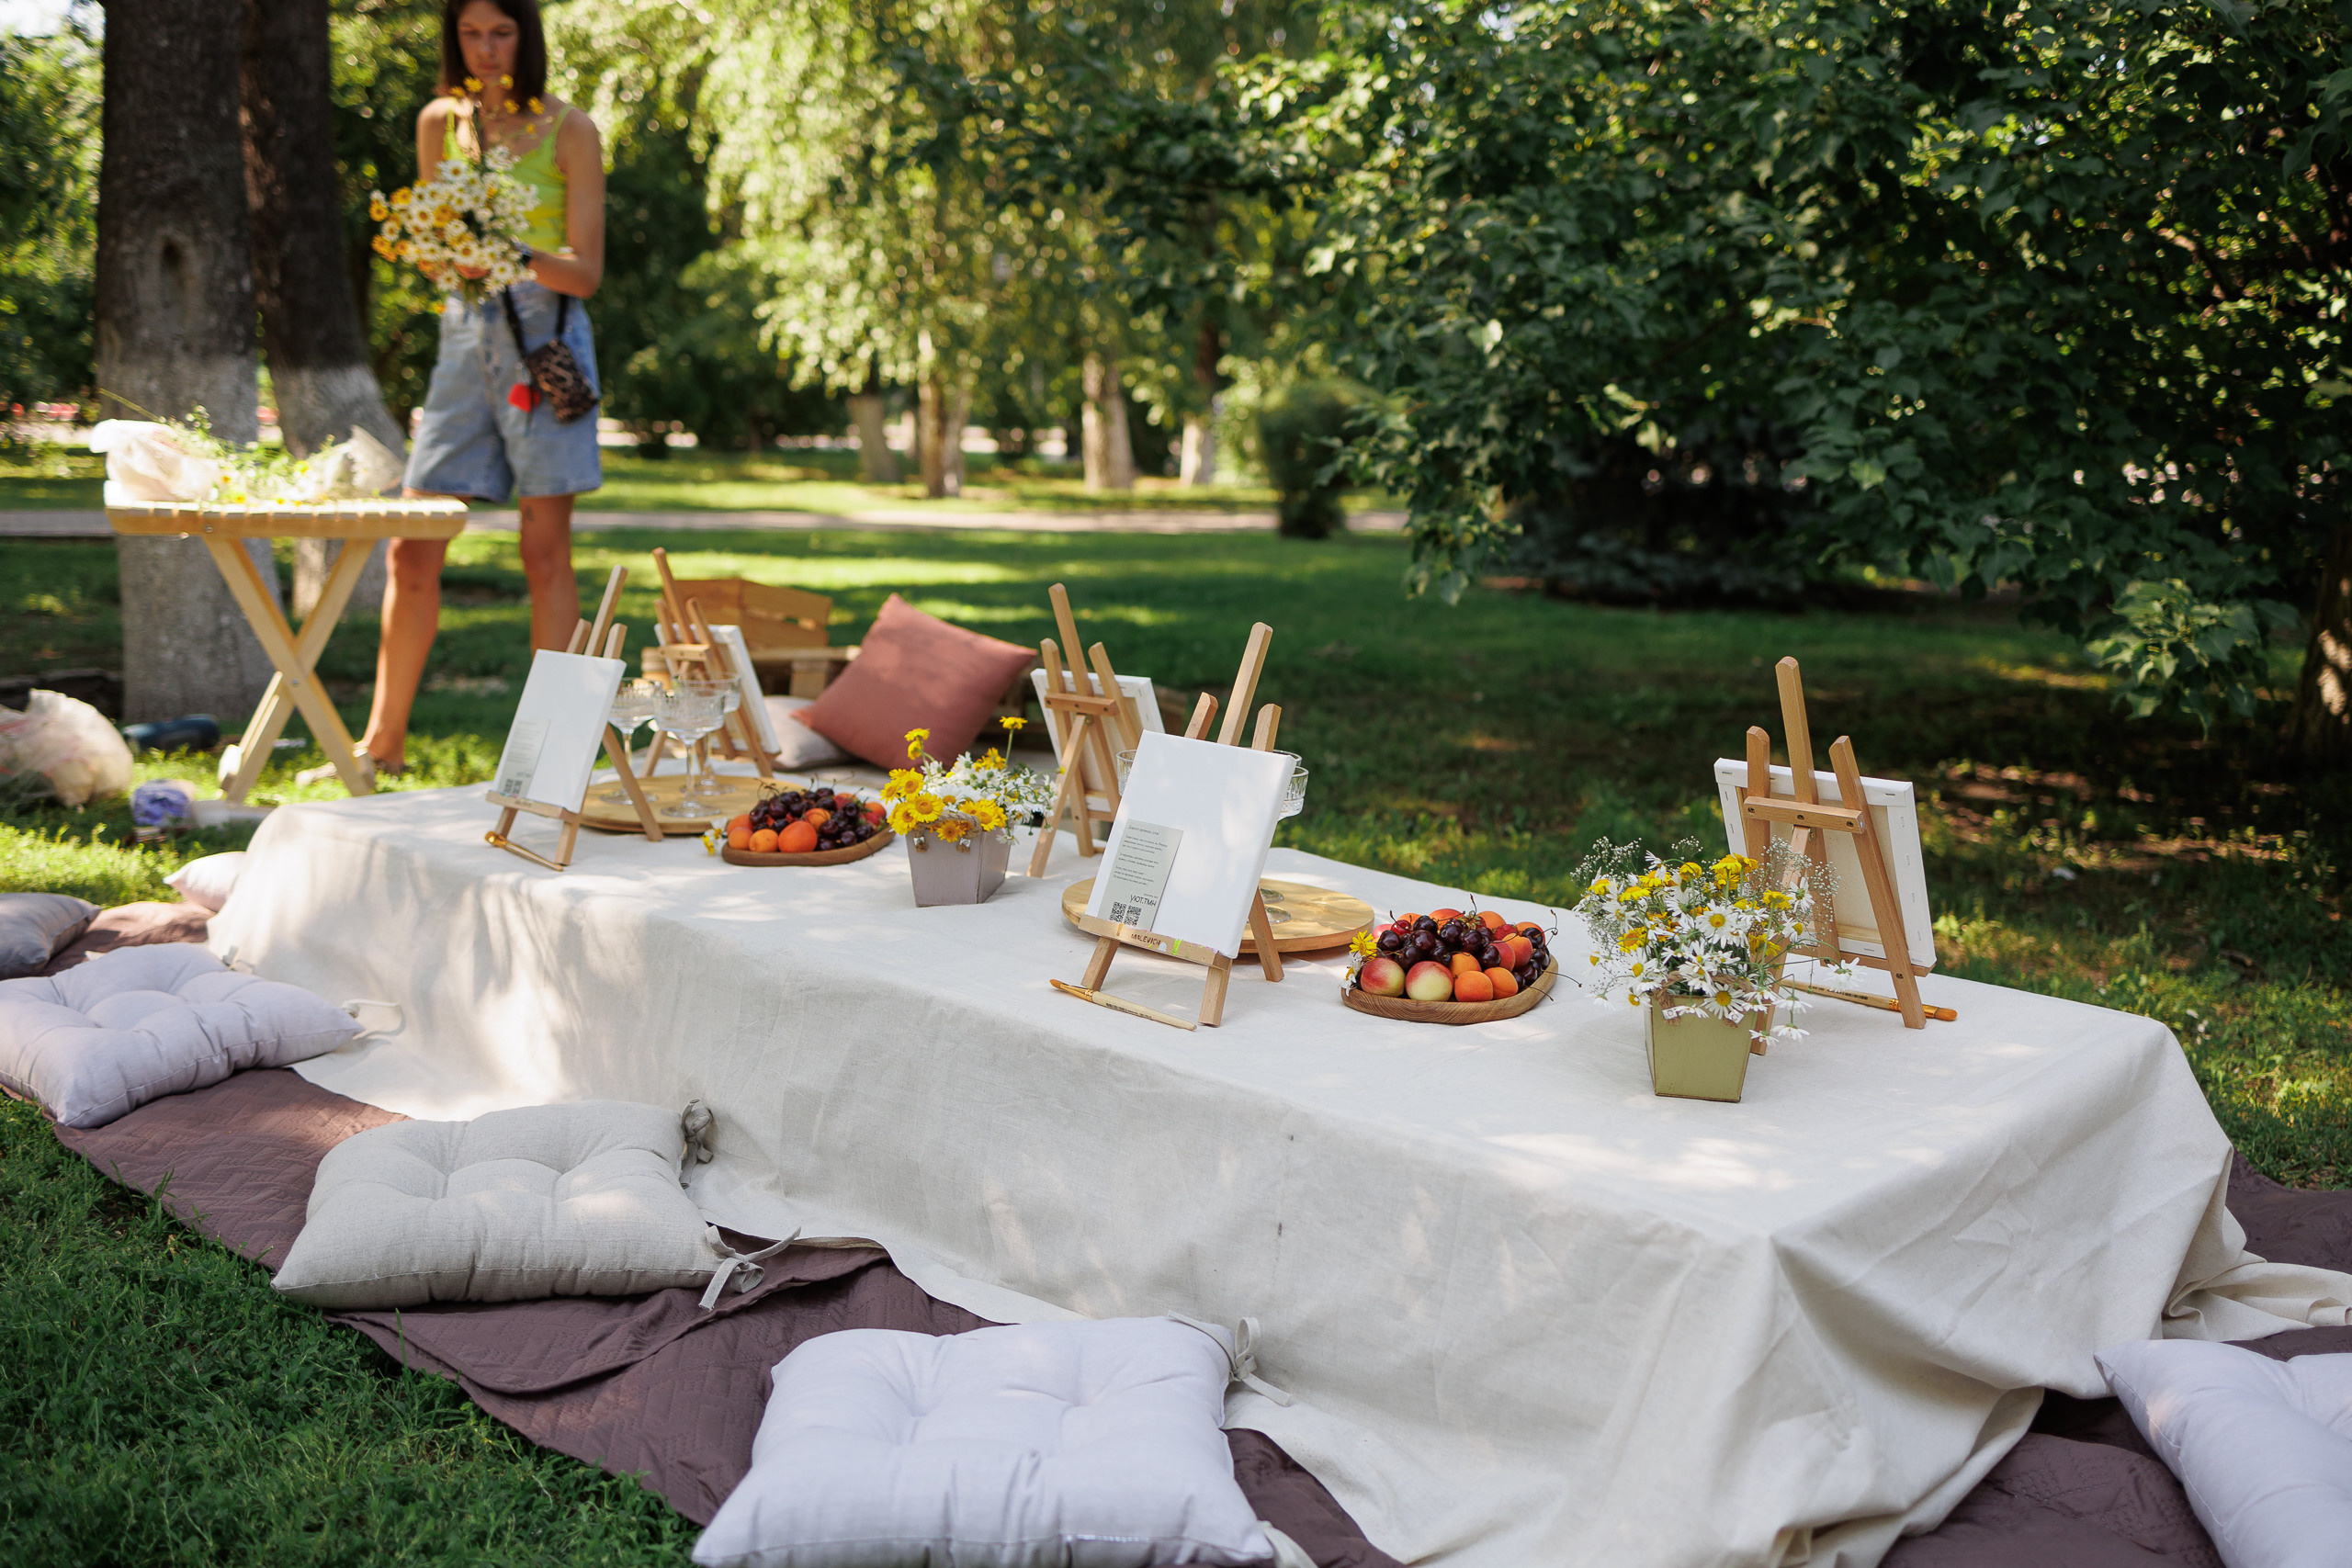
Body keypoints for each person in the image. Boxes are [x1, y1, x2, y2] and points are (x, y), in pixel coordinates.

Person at [333, 0, 605, 782]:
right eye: (471, 33)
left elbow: (586, 272)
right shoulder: (439, 124)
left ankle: (554, 760)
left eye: (503, 32)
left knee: (543, 551)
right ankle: (381, 746)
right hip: (464, 338)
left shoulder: (570, 130)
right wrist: (452, 254)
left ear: (528, 35)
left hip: (546, 338)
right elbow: (433, 255)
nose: (487, 49)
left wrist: (509, 248)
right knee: (412, 544)